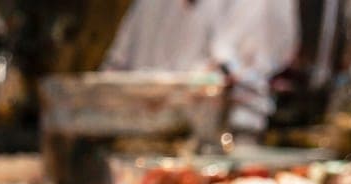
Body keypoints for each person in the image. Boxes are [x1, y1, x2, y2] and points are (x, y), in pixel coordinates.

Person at [102, 0, 300, 137]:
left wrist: (158, 94)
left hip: (222, 141)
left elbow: (228, 72)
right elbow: (115, 67)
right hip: (132, 138)